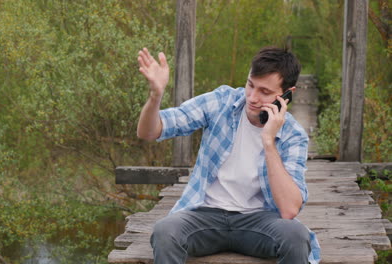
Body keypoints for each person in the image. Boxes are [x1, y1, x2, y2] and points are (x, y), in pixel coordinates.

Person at [136, 46, 321, 264]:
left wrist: (269, 142)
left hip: (259, 222)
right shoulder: (221, 102)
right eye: (250, 85)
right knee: (165, 232)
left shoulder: (293, 135)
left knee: (296, 237)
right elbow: (148, 132)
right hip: (205, 216)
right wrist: (155, 96)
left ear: (287, 94)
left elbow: (290, 210)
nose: (252, 97)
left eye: (265, 92)